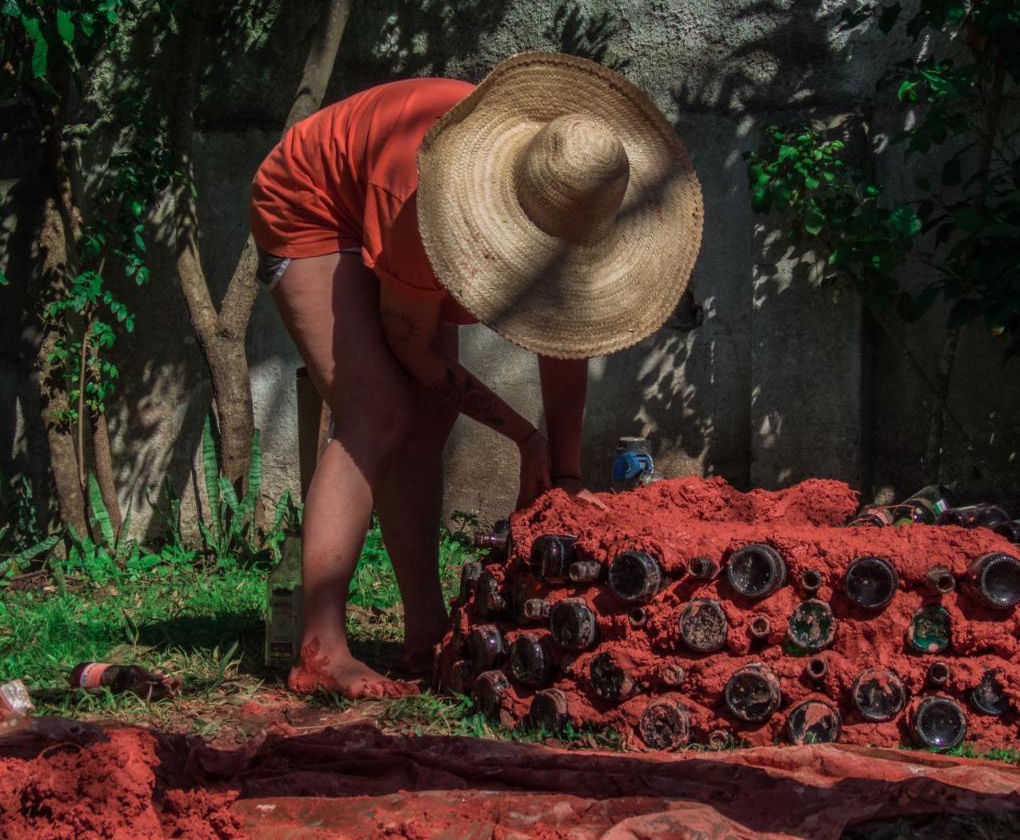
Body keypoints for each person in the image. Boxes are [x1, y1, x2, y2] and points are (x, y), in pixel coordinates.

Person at [249, 52, 702, 699]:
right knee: (378, 413)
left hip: (391, 204)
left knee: (428, 420)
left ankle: (424, 631)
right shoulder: (423, 199)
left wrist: (565, 476)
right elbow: (412, 348)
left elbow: (564, 338)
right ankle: (319, 648)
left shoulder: (571, 194)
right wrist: (524, 437)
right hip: (315, 206)